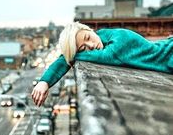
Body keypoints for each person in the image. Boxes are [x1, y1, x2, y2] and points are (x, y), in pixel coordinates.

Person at [32, 22, 173, 106]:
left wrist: (74, 54)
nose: (91, 46)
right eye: (83, 48)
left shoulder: (120, 41)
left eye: (87, 37)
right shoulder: (104, 36)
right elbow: (67, 58)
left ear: (89, 29)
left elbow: (103, 56)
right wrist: (44, 82)